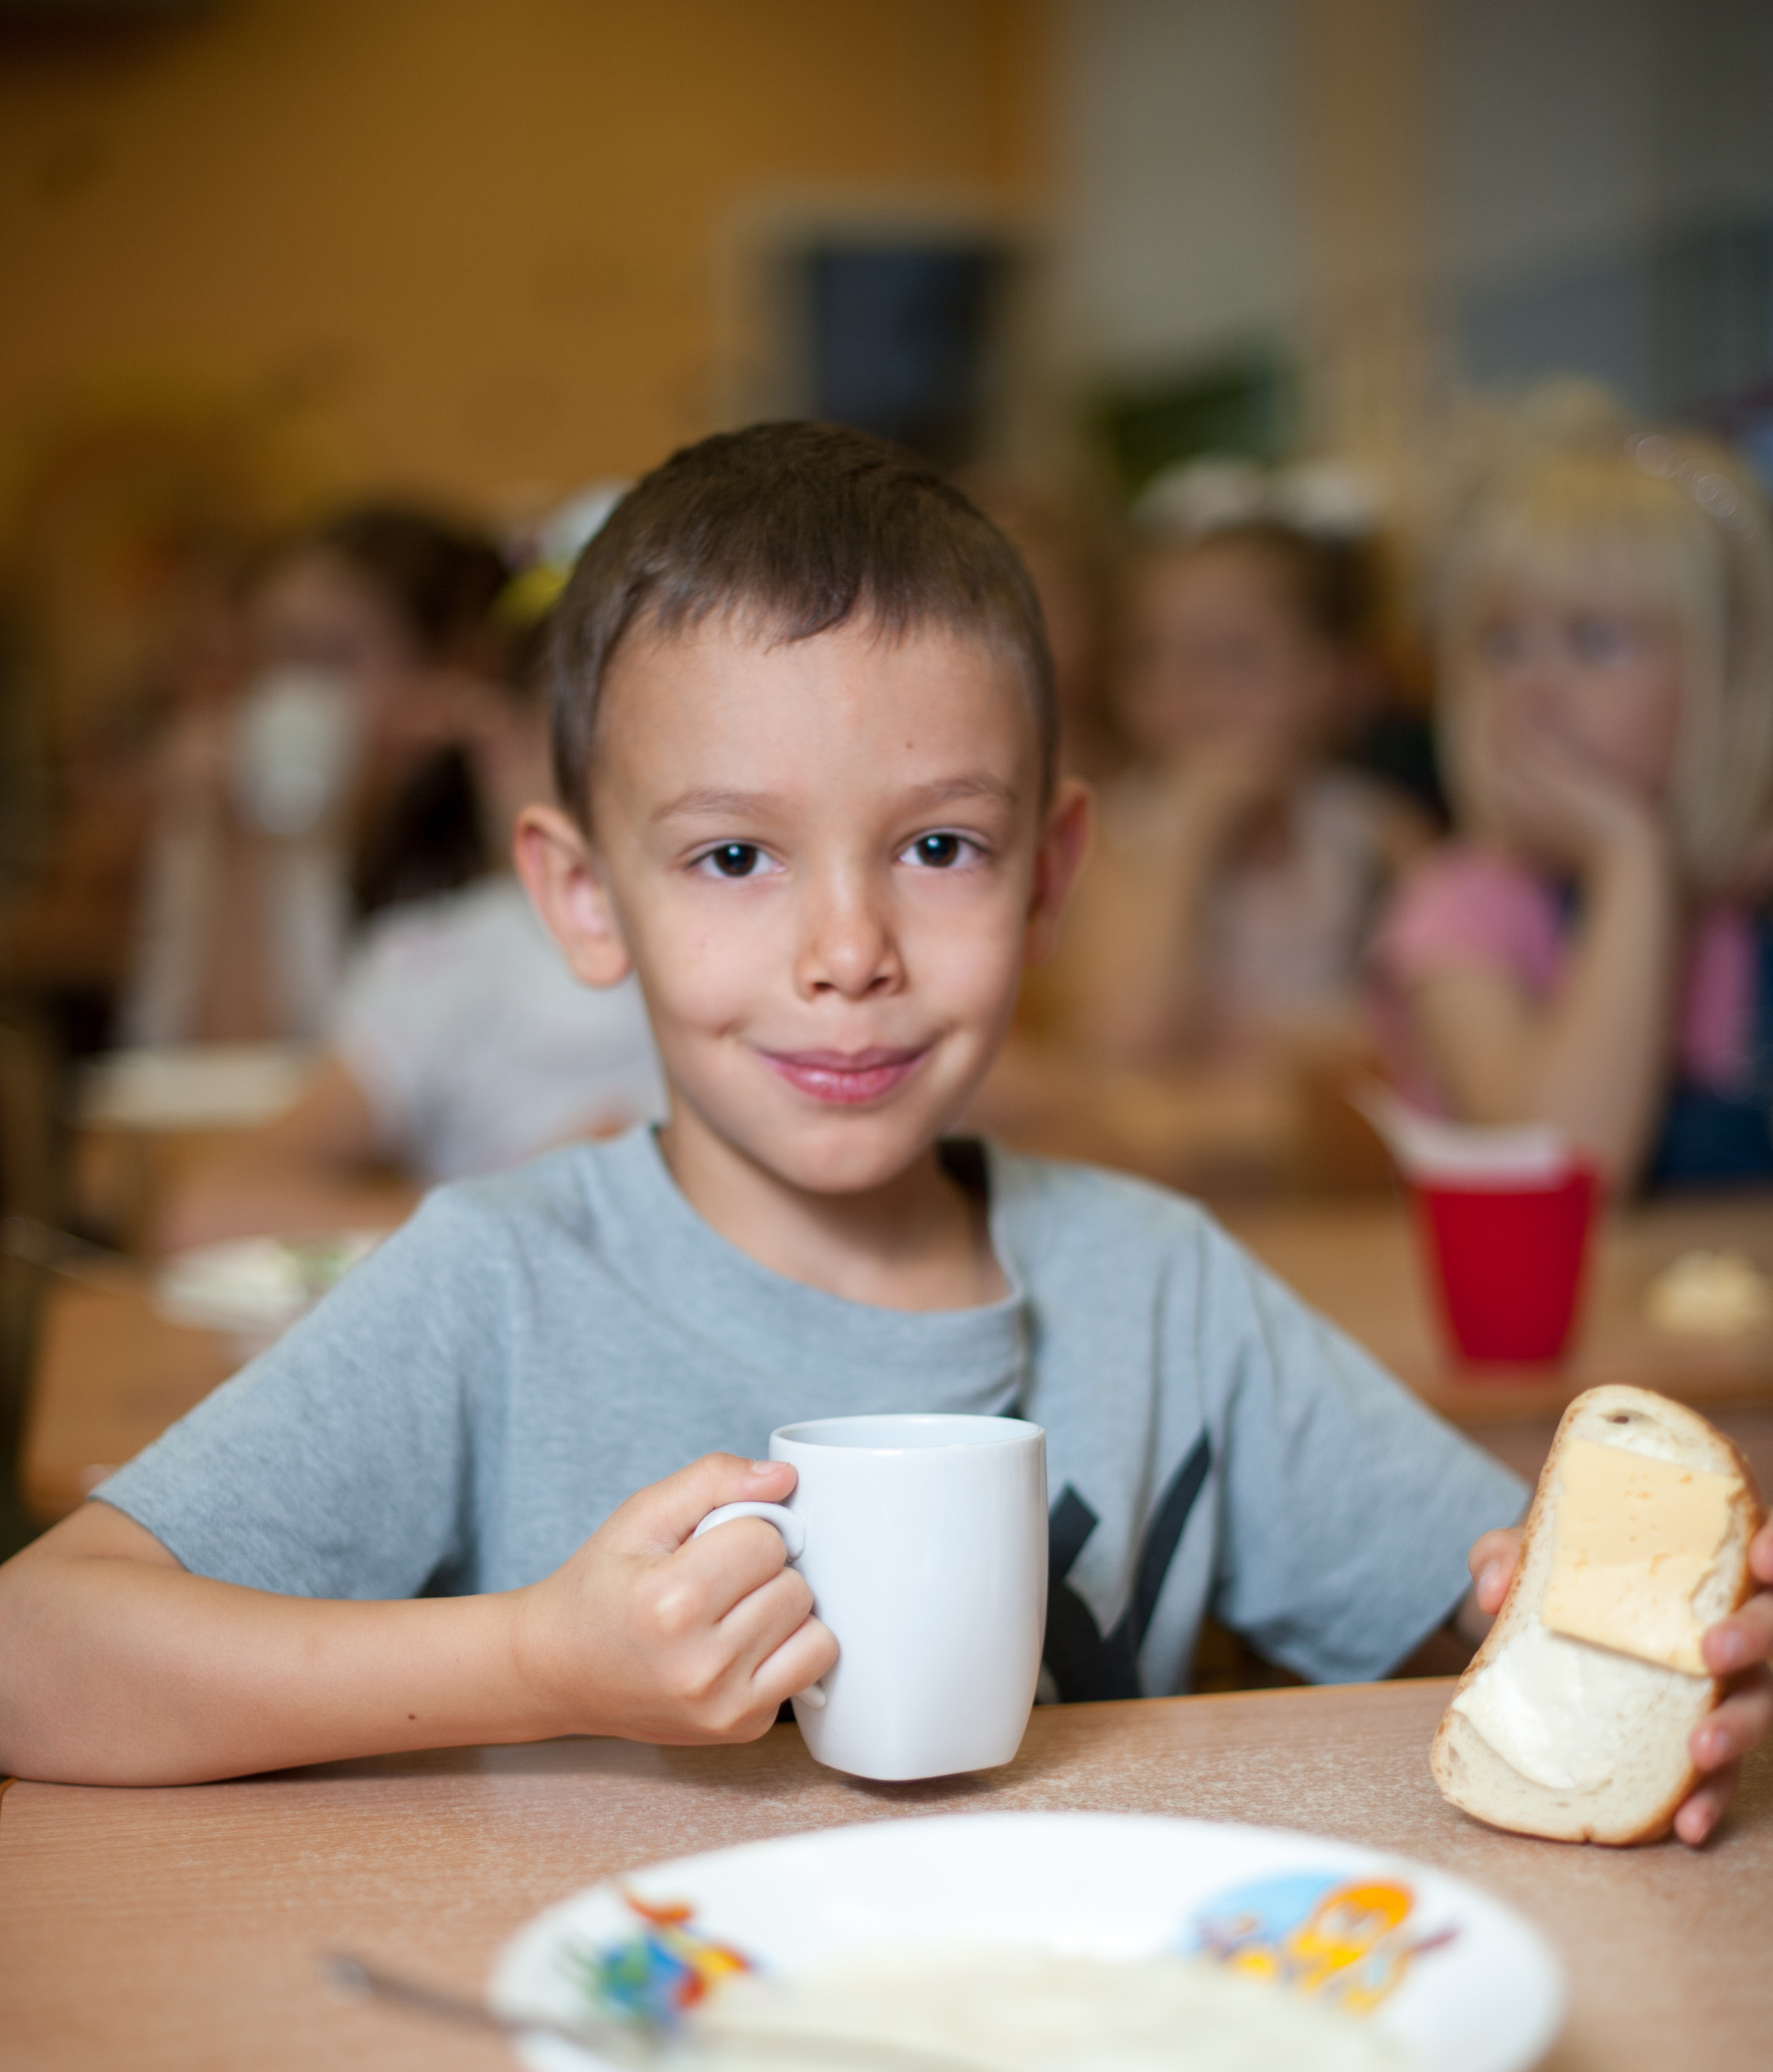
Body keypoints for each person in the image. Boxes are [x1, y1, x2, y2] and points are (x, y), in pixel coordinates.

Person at [1, 423, 1766, 1841]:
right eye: (731, 856)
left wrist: (1649, 1652)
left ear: (1049, 871)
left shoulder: (1158, 1292)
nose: (846, 955)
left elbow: (1480, 1611)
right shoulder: (497, 1288)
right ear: (580, 893)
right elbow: (38, 1654)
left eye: (936, 847)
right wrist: (534, 1655)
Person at [159, 615, 665, 1250]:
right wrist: (521, 1209)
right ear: (500, 745)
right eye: (601, 742)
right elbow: (212, 1210)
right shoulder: (443, 963)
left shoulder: (784, 951)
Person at [1368, 408, 1773, 1188]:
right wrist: (1629, 858)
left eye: (1594, 640)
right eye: (1502, 643)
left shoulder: (1745, 897)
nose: (1533, 689)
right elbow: (1565, 1170)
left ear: (1728, 674)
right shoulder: (1459, 910)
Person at [1044, 489, 1431, 1071]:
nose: (1184, 691)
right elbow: (1126, 1043)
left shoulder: (1376, 834)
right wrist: (1192, 836)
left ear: (1338, 678)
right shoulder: (1111, 838)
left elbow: (1440, 1027)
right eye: (1149, 656)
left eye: (1233, 657)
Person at [123, 504, 510, 1047]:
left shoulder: (490, 824)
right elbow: (225, 1064)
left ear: (448, 671)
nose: (294, 691)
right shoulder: (233, 806)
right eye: (276, 655)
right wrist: (242, 842)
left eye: (336, 657)